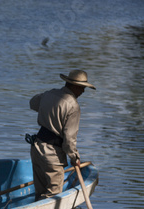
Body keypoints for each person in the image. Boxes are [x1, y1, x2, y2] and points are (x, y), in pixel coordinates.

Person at [29, 69, 96, 201]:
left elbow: (33, 103)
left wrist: (49, 110)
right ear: (75, 86)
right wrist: (75, 158)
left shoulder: (49, 94)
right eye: (82, 88)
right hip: (52, 154)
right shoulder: (73, 106)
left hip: (37, 147)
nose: (83, 91)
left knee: (40, 190)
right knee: (53, 195)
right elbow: (69, 140)